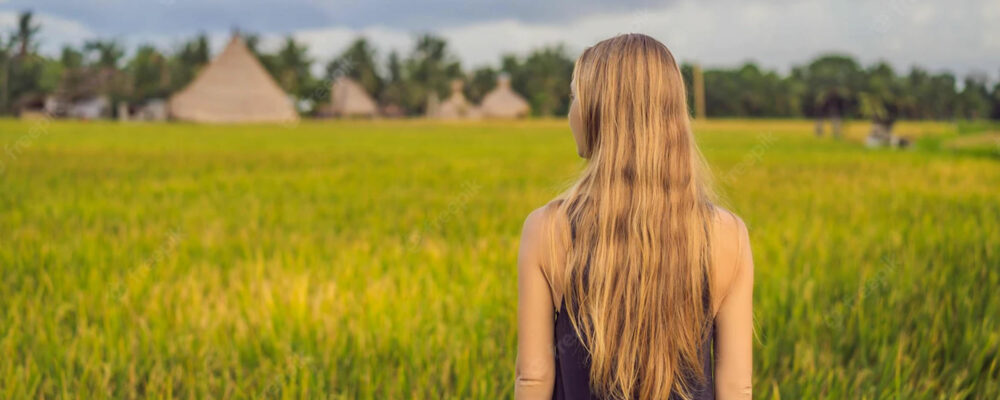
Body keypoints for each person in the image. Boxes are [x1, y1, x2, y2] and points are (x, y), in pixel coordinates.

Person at [515, 34, 754, 400]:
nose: (570, 113)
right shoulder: (727, 235)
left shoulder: (547, 230)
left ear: (599, 110)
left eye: (574, 97)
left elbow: (532, 378)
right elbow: (737, 387)